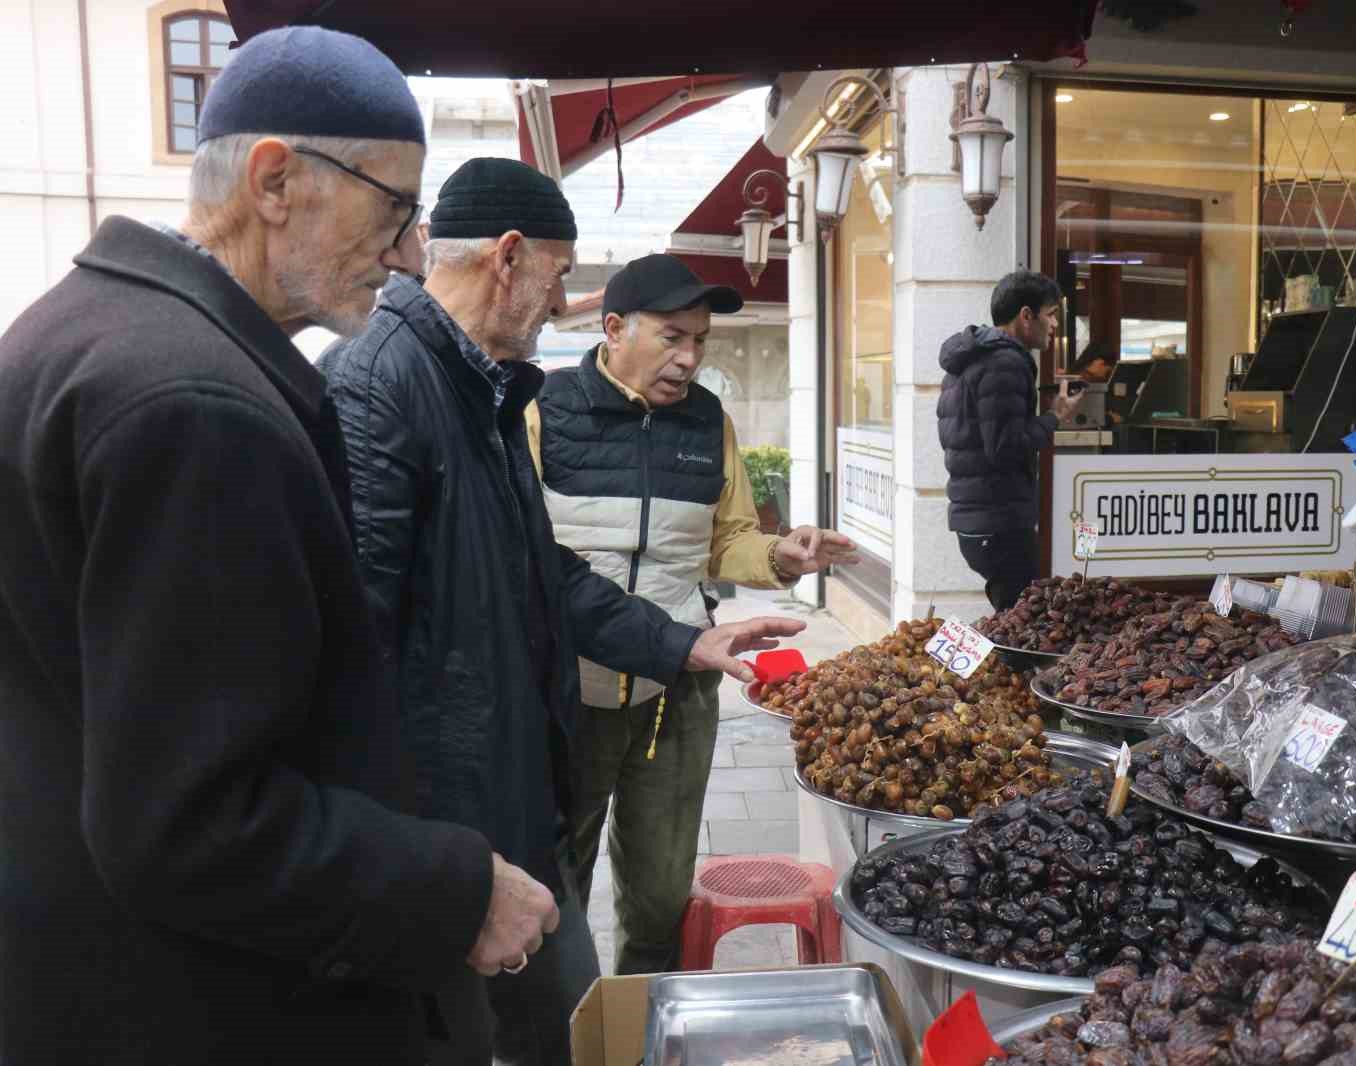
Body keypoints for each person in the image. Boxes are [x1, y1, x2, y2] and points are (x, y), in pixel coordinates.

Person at [0, 27, 559, 1066]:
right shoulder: (194, 402)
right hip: (198, 1004)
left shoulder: (76, 330)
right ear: (273, 182)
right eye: (393, 210)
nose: (406, 254)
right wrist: (455, 891)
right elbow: (193, 823)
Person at [320, 164, 804, 1065]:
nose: (560, 300)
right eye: (559, 273)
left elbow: (543, 573)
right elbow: (358, 658)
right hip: (461, 815)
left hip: (519, 775)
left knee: (568, 1003)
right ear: (508, 258)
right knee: (516, 1015)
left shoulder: (487, 393)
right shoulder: (383, 387)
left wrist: (685, 642)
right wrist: (440, 865)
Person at [527, 254, 859, 975]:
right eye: (672, 336)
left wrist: (780, 554)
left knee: (659, 897)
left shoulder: (709, 421)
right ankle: (563, 1025)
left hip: (675, 690)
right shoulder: (543, 409)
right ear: (614, 329)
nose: (689, 358)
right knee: (553, 892)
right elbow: (524, 558)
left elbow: (726, 538)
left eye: (701, 340)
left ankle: (644, 1017)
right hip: (563, 690)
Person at [937, 270, 1078, 613]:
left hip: (977, 521)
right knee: (1022, 621)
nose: (1054, 325)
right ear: (1026, 316)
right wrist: (1055, 416)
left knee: (1014, 616)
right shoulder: (1005, 362)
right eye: (1051, 315)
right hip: (999, 522)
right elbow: (1005, 447)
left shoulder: (973, 356)